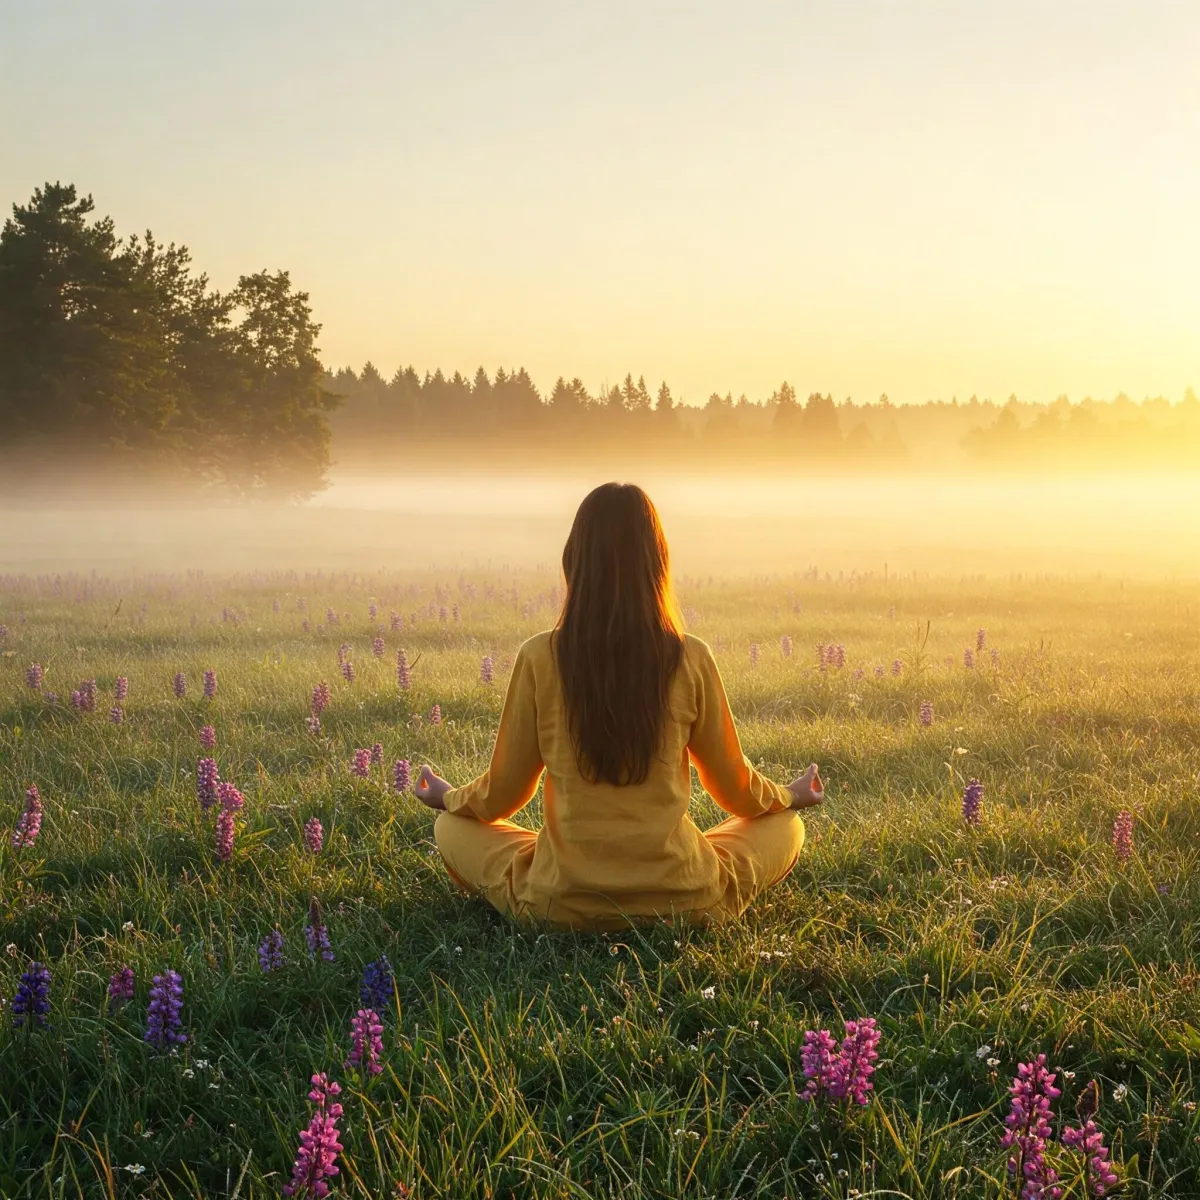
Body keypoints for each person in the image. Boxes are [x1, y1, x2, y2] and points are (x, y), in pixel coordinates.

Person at [415, 482, 824, 930]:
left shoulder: (539, 657)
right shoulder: (691, 657)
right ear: (658, 563)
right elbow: (735, 788)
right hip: (686, 902)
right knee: (786, 825)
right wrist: (789, 796)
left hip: (558, 905)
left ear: (575, 560)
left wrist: (449, 798)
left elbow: (503, 794)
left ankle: (566, 876)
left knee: (449, 828)